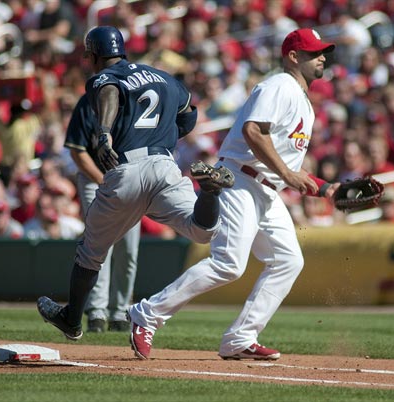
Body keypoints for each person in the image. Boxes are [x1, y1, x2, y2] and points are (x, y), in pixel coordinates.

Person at [128, 28, 341, 361]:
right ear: (293, 57)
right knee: (229, 263)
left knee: (288, 260)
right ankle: (147, 313)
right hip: (241, 180)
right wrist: (287, 174)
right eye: (314, 52)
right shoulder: (279, 85)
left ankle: (241, 337)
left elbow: (285, 161)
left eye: (322, 52)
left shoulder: (303, 103)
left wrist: (329, 188)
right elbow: (253, 131)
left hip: (266, 190)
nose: (322, 57)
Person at [36, 26, 234, 341]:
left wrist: (103, 132)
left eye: (89, 56)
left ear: (95, 55)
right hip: (166, 166)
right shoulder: (165, 77)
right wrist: (164, 134)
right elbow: (189, 115)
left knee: (91, 253)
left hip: (126, 169)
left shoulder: (104, 77)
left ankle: (72, 319)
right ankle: (209, 193)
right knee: (201, 230)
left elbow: (109, 91)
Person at [64, 93, 141, 333]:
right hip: (93, 178)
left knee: (128, 248)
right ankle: (97, 311)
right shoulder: (88, 103)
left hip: (130, 180)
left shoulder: (133, 103)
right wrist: (104, 182)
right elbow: (78, 151)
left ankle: (120, 311)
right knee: (99, 244)